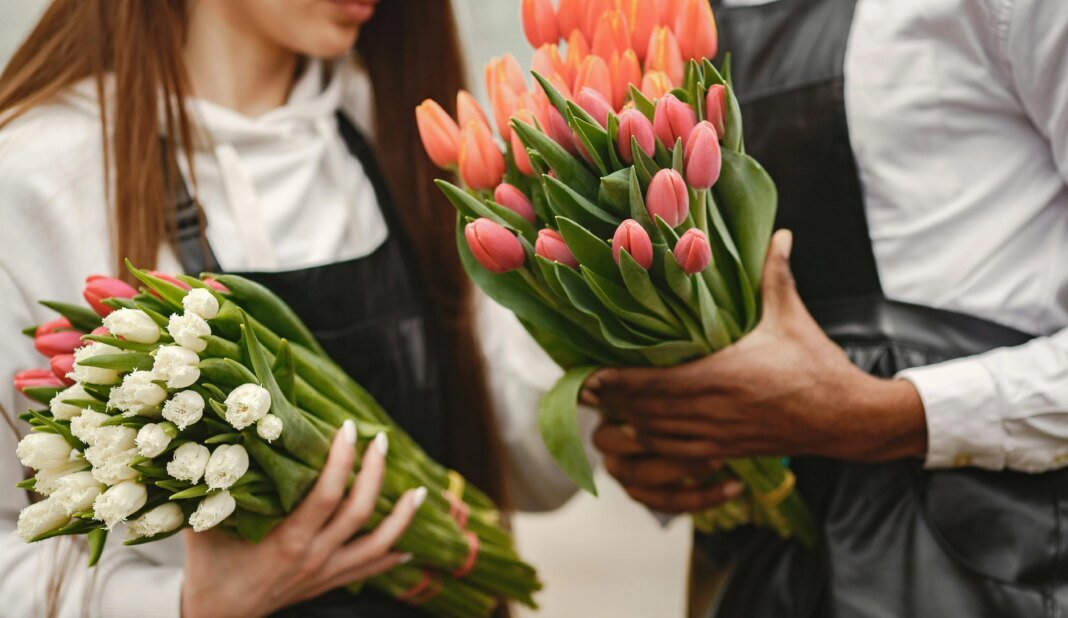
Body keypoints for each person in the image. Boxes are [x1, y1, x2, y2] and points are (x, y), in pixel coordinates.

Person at [0, 0, 573, 615]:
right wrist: (182, 604)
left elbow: (519, 449)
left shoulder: (405, 125)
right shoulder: (39, 179)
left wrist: (623, 355)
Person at [587, 0, 1068, 616]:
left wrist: (895, 417)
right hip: (765, 574)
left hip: (1003, 560)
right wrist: (675, 443)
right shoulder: (666, 23)